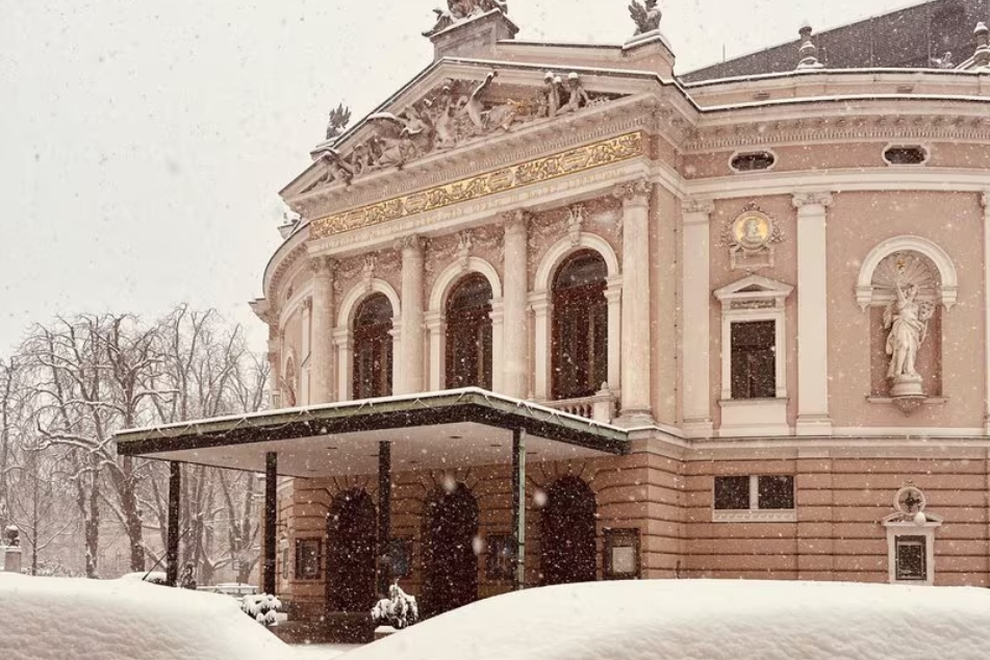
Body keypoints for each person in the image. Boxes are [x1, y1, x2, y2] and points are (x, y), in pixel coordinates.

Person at [884, 283, 926, 380]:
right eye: (911, 289)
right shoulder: (902, 302)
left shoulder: (915, 307)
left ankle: (909, 369)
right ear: (907, 291)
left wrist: (920, 324)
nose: (913, 291)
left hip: (912, 329)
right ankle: (898, 370)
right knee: (903, 345)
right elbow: (899, 292)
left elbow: (914, 318)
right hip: (902, 326)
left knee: (911, 349)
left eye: (915, 290)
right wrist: (898, 284)